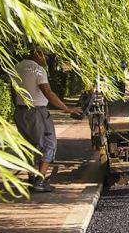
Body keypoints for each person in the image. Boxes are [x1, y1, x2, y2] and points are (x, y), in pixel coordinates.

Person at [13, 47, 82, 192]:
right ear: (37, 53)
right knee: (49, 144)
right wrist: (67, 108)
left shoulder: (17, 67)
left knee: (29, 145)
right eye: (45, 55)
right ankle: (40, 180)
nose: (46, 58)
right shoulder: (38, 70)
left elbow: (13, 90)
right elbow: (47, 92)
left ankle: (31, 178)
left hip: (20, 111)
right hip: (37, 112)